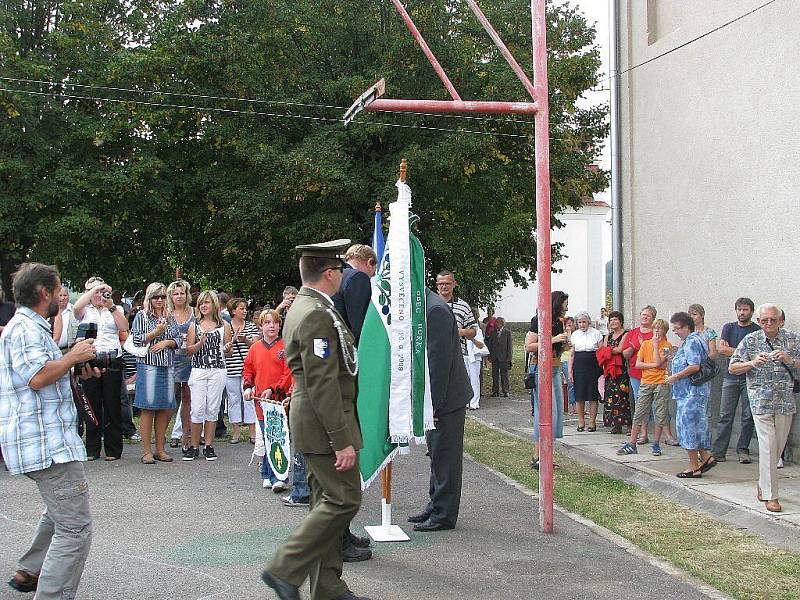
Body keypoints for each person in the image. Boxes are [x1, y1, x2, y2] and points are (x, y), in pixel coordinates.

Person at [261, 239, 369, 600]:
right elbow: (322, 382)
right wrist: (341, 439)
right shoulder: (316, 314)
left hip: (318, 419)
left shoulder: (310, 307)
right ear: (329, 273)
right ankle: (284, 569)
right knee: (344, 500)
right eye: (341, 269)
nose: (344, 275)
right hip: (325, 422)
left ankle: (327, 586)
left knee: (326, 501)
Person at [0, 263, 97, 598]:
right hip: (47, 445)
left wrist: (74, 371)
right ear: (44, 293)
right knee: (75, 529)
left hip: (43, 442)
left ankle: (30, 571)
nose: (61, 296)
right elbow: (37, 377)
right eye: (57, 290)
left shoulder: (31, 328)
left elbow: (41, 377)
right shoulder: (26, 330)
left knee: (59, 510)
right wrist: (72, 357)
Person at [407, 287, 472, 531]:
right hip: (441, 396)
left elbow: (437, 362)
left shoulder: (433, 309)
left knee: (445, 456)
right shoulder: (426, 304)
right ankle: (435, 504)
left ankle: (444, 513)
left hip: (446, 398)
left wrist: (432, 403)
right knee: (436, 452)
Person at [729, 303, 799, 513]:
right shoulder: (750, 340)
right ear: (758, 322)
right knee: (768, 447)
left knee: (776, 449)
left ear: (781, 320)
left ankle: (763, 484)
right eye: (764, 320)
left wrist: (790, 360)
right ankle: (771, 496)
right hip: (761, 401)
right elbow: (733, 367)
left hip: (785, 401)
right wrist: (751, 363)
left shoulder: (792, 338)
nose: (769, 323)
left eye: (773, 320)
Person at [331, 244, 377, 561]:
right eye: (374, 268)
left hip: (336, 372)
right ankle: (338, 539)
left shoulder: (337, 280)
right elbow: (361, 331)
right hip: (347, 373)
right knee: (343, 468)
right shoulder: (357, 279)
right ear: (367, 262)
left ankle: (344, 533)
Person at [73, 276, 129, 461]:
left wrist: (110, 305)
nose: (98, 294)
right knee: (92, 404)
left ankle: (113, 450)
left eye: (101, 291)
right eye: (93, 291)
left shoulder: (115, 308)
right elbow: (76, 308)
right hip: (90, 359)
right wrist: (94, 290)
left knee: (112, 405)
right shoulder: (85, 311)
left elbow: (123, 327)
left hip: (112, 359)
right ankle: (92, 449)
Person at [130, 282, 182, 464]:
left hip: (167, 366)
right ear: (149, 298)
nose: (159, 300)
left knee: (164, 408)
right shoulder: (141, 316)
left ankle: (160, 449)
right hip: (148, 366)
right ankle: (146, 452)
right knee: (148, 408)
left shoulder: (170, 316)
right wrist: (156, 333)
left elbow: (178, 340)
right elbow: (137, 340)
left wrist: (166, 342)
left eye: (162, 297)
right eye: (155, 297)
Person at [243, 310, 294, 494]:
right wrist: (248, 387)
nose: (272, 326)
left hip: (279, 402)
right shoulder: (255, 348)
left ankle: (278, 477)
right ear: (261, 325)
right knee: (266, 437)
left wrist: (274, 389)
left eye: (275, 322)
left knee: (278, 436)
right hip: (260, 402)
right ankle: (267, 472)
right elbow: (248, 369)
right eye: (267, 323)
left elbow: (288, 373)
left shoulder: (285, 347)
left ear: (280, 325)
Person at [666, 312, 716, 479]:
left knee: (688, 428)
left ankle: (694, 467)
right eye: (674, 329)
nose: (676, 332)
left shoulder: (692, 341)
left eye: (678, 328)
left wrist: (675, 376)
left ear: (687, 326)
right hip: (690, 393)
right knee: (695, 428)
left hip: (691, 393)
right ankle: (706, 458)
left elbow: (694, 366)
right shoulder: (692, 341)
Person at [184, 290, 232, 462]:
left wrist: (227, 348)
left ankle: (209, 445)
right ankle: (194, 446)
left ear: (214, 305)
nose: (203, 306)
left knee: (212, 409)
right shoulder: (194, 325)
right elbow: (188, 351)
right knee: (197, 409)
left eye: (207, 302)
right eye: (201, 303)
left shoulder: (224, 325)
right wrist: (199, 344)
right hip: (199, 370)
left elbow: (229, 350)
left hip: (218, 370)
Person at [712, 297, 760, 464]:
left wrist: (732, 351)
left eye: (745, 310)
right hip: (730, 377)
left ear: (751, 312)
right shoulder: (729, 328)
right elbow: (721, 349)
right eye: (739, 309)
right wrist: (743, 352)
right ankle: (718, 452)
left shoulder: (756, 330)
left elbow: (755, 354)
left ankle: (743, 449)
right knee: (725, 415)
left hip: (750, 378)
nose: (742, 312)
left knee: (748, 416)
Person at [527, 291, 569, 469]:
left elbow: (556, 345)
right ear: (557, 303)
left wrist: (564, 344)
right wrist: (553, 339)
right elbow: (530, 346)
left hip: (555, 367)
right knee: (545, 412)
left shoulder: (560, 321)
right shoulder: (539, 319)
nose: (567, 306)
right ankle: (538, 457)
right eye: (565, 303)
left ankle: (547, 455)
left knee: (557, 412)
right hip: (540, 369)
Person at [618, 319, 672, 456]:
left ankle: (656, 443)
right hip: (646, 382)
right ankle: (632, 443)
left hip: (660, 383)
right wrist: (654, 365)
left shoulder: (667, 346)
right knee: (639, 412)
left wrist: (655, 347)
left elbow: (662, 364)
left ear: (664, 331)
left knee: (660, 413)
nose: (656, 332)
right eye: (654, 329)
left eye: (659, 329)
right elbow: (638, 364)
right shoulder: (645, 344)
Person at [226, 297, 260, 443]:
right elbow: (225, 348)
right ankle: (236, 432)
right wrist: (233, 340)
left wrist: (245, 339)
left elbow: (256, 345)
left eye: (245, 308)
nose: (245, 311)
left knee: (249, 399)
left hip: (248, 368)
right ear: (233, 311)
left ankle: (252, 432)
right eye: (241, 308)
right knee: (233, 399)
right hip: (231, 367)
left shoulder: (251, 326)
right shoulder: (226, 326)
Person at [435, 270, 479, 383]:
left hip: (458, 358)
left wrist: (461, 332)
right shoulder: (429, 304)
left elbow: (474, 331)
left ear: (454, 284)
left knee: (456, 396)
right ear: (437, 285)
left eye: (447, 283)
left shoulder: (463, 306)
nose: (444, 286)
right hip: (435, 357)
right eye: (441, 284)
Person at [622, 305, 656, 443]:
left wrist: (644, 346)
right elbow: (625, 354)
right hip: (636, 373)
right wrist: (632, 347)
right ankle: (643, 433)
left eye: (648, 315)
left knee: (655, 404)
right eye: (643, 314)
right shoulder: (633, 333)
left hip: (653, 373)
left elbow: (659, 352)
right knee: (640, 402)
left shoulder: (655, 333)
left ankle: (663, 434)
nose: (645, 317)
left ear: (653, 318)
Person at [167, 279, 194, 451]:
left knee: (187, 399)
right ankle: (162, 437)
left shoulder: (194, 313)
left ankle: (186, 436)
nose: (179, 296)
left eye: (182, 293)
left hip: (190, 360)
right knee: (168, 400)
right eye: (175, 293)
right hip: (170, 360)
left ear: (187, 295)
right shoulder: (166, 313)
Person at [569, 311, 604, 431]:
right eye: (579, 322)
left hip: (593, 365)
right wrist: (570, 370)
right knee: (579, 394)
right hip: (579, 365)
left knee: (592, 394)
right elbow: (572, 354)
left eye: (584, 322)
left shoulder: (596, 333)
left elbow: (601, 352)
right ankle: (580, 422)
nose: (582, 324)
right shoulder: (575, 335)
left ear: (588, 322)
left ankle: (592, 422)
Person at [600, 311, 631, 433]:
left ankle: (628, 424)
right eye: (611, 320)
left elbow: (620, 349)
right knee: (611, 396)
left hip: (621, 369)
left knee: (623, 396)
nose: (613, 322)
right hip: (609, 370)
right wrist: (609, 351)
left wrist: (609, 350)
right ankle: (616, 424)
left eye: (615, 319)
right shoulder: (607, 336)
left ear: (621, 321)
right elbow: (603, 350)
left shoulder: (625, 334)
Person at [465, 307, 489, 409]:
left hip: (474, 358)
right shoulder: (463, 328)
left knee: (474, 380)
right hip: (464, 356)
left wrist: (472, 338)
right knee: (465, 380)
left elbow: (480, 345)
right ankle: (466, 401)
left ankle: (474, 403)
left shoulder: (477, 330)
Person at [489, 317, 512, 397]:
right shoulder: (493, 333)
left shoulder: (507, 332)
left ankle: (505, 390)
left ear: (502, 323)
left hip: (504, 357)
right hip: (495, 357)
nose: (496, 324)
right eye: (496, 322)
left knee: (504, 375)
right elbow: (490, 345)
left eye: (497, 322)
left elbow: (509, 346)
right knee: (494, 375)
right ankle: (495, 391)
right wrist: (490, 356)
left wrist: (509, 358)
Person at [560, 317, 576, 415]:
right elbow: (567, 345)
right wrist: (568, 333)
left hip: (576, 360)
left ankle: (577, 405)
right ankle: (573, 405)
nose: (570, 325)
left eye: (572, 323)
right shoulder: (563, 335)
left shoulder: (577, 334)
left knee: (576, 383)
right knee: (571, 382)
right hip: (566, 360)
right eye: (568, 324)